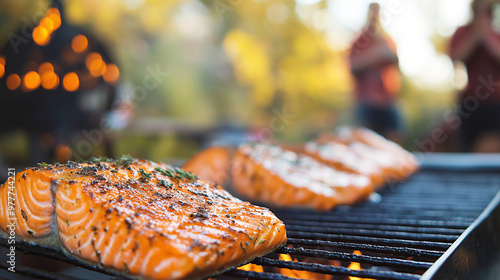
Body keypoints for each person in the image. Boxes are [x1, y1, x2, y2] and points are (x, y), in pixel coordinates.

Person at [449, 0, 500, 152]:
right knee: (468, 149)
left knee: (490, 148)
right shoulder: (462, 32)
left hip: (495, 102)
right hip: (471, 102)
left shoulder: (496, 35)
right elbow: (456, 58)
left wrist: (486, 38)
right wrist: (476, 36)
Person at [349, 2, 402, 143]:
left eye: (377, 13)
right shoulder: (359, 41)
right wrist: (375, 57)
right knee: (365, 141)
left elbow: (394, 59)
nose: (375, 16)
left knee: (394, 139)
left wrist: (380, 46)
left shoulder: (386, 40)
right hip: (366, 102)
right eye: (372, 12)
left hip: (387, 101)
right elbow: (352, 67)